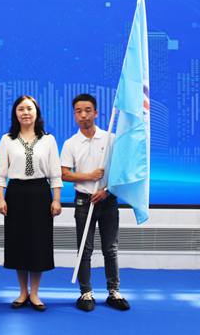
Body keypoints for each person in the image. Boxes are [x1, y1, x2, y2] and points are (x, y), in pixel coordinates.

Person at [61, 93, 130, 312]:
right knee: (85, 249)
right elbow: (64, 173)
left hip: (108, 200)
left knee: (111, 248)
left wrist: (106, 191)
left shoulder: (111, 139)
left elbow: (121, 171)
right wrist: (89, 176)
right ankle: (86, 293)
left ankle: (114, 292)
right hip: (84, 201)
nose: (83, 115)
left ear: (96, 113)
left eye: (88, 110)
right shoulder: (71, 143)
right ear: (74, 115)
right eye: (78, 111)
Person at [0, 95, 62, 311]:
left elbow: (55, 173)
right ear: (15, 113)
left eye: (29, 108)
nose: (25, 112)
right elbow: (0, 173)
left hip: (40, 194)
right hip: (16, 195)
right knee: (19, 244)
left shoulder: (48, 140)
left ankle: (35, 293)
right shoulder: (7, 140)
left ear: (36, 112)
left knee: (38, 244)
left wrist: (56, 200)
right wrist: (0, 198)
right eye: (21, 109)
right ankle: (22, 292)